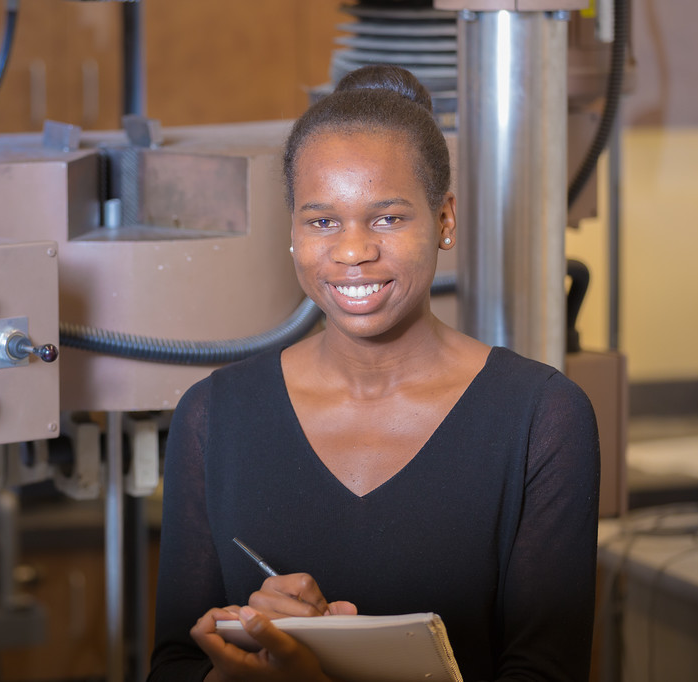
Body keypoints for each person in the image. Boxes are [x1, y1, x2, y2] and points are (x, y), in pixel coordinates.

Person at [148, 64, 600, 682]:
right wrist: (244, 664)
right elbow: (173, 664)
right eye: (322, 221)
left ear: (444, 220)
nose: (353, 250)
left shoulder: (542, 417)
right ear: (293, 231)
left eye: (387, 218)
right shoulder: (213, 416)